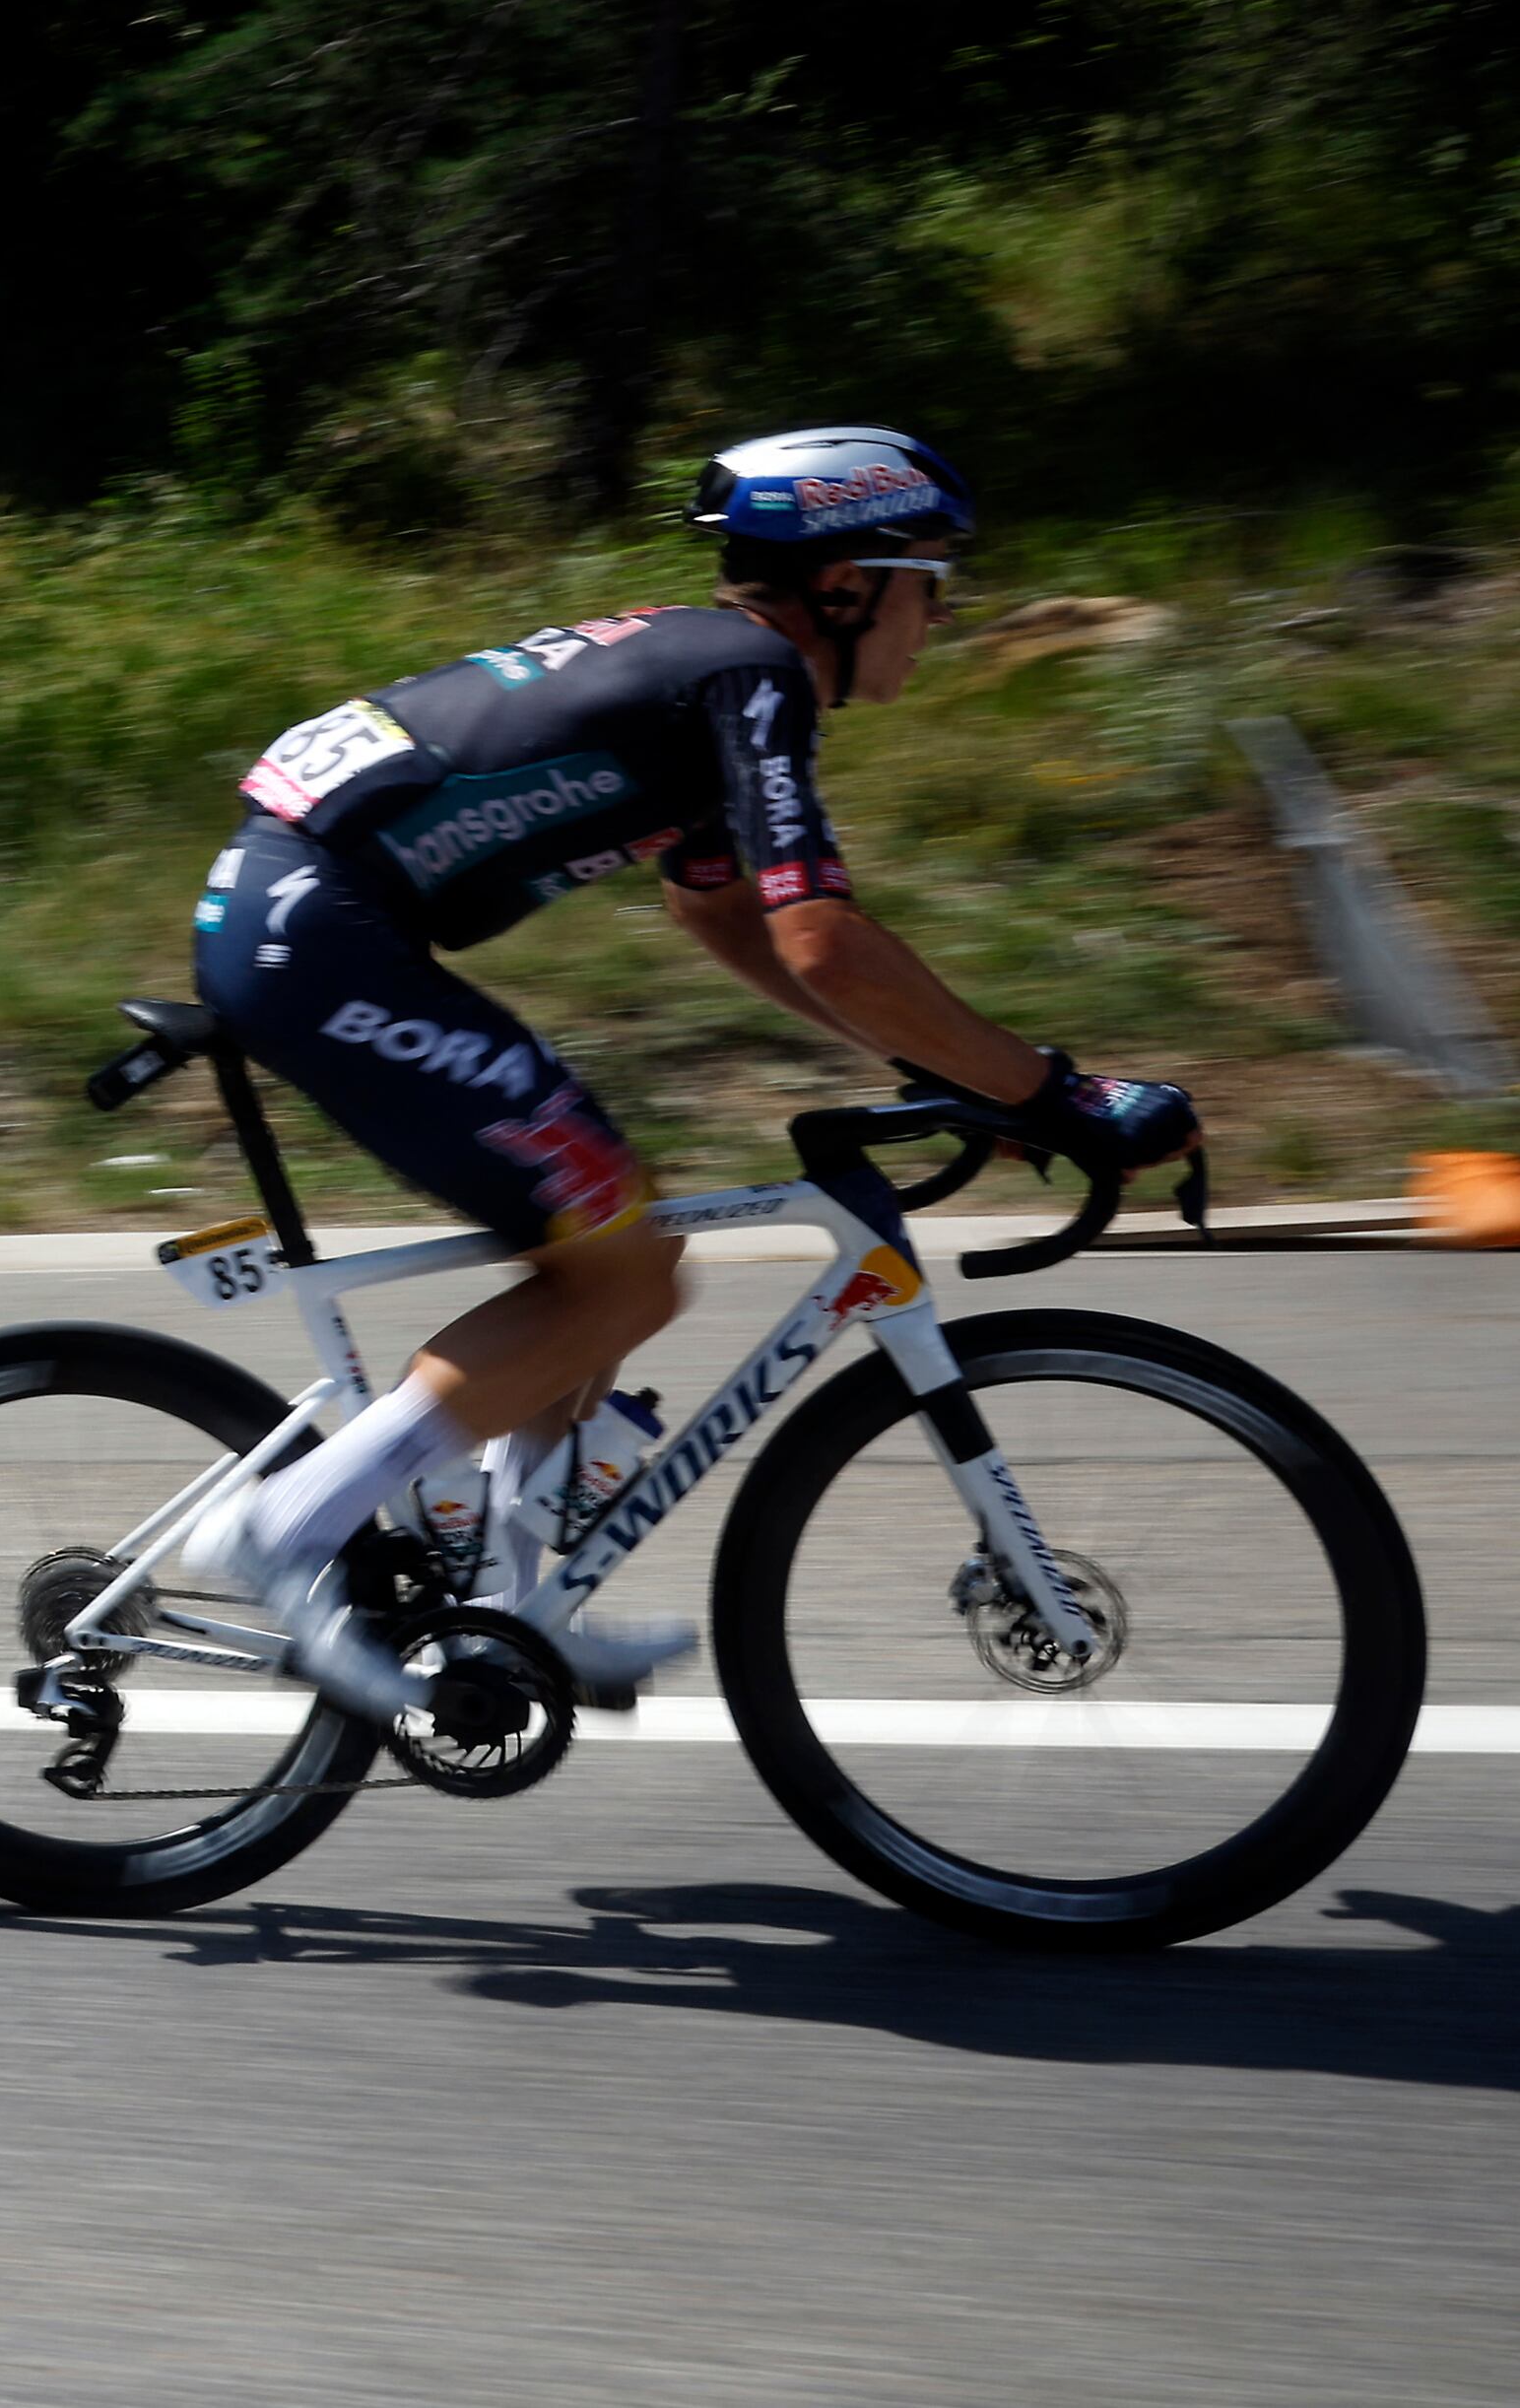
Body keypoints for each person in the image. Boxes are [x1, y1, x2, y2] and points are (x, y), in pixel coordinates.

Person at [176, 428, 1202, 1715]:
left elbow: (727, 916)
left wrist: (950, 1068)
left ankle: (504, 1609)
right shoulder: (758, 675)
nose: (938, 615)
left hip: (315, 918)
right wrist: (1043, 1089)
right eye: (928, 580)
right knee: (624, 1265)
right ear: (846, 586)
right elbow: (821, 937)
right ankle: (286, 1526)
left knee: (613, 1237)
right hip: (315, 936)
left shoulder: (714, 666)